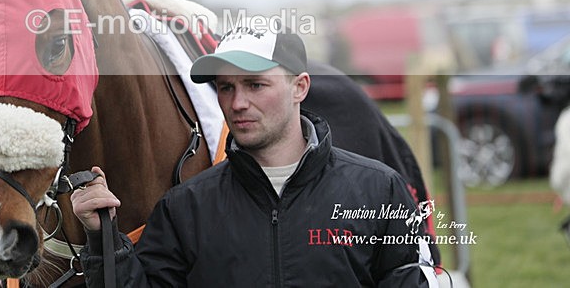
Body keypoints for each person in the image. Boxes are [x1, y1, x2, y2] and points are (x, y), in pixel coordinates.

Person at [71, 17, 437, 287]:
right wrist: (105, 240)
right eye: (226, 87)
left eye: (255, 84)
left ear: (300, 87)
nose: (238, 102)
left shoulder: (379, 190)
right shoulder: (185, 208)